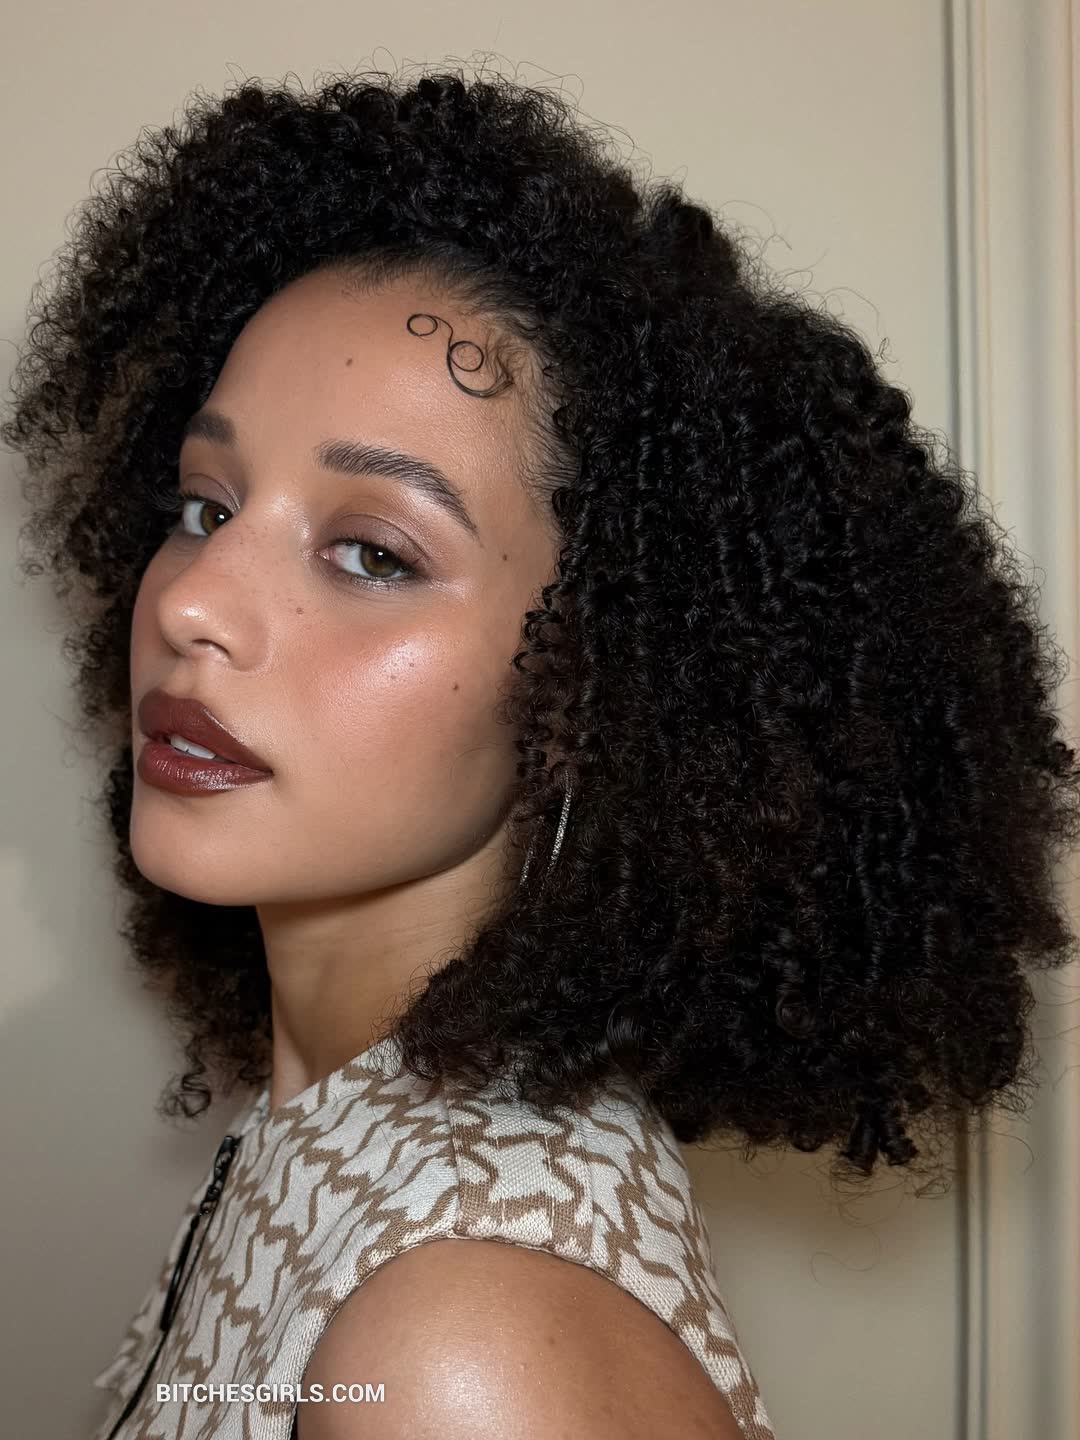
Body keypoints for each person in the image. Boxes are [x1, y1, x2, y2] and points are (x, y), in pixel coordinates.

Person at [4, 62, 1079, 1440]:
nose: (193, 602)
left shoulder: (465, 1346)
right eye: (208, 506)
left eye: (371, 553)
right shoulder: (341, 1131)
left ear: (598, 683)